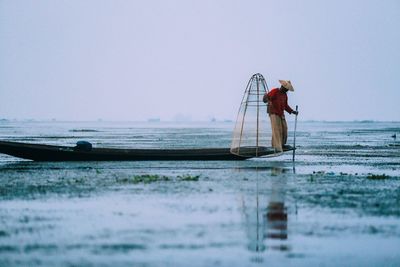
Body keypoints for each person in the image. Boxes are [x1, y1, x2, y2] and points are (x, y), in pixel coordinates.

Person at [263, 80, 298, 152]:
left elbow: (285, 106)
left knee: (284, 129)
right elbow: (266, 98)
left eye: (287, 89)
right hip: (273, 112)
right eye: (286, 89)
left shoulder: (285, 95)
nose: (286, 90)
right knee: (276, 129)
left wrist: (292, 111)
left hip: (281, 113)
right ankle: (276, 146)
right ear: (282, 87)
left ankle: (282, 144)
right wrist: (266, 98)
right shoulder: (275, 91)